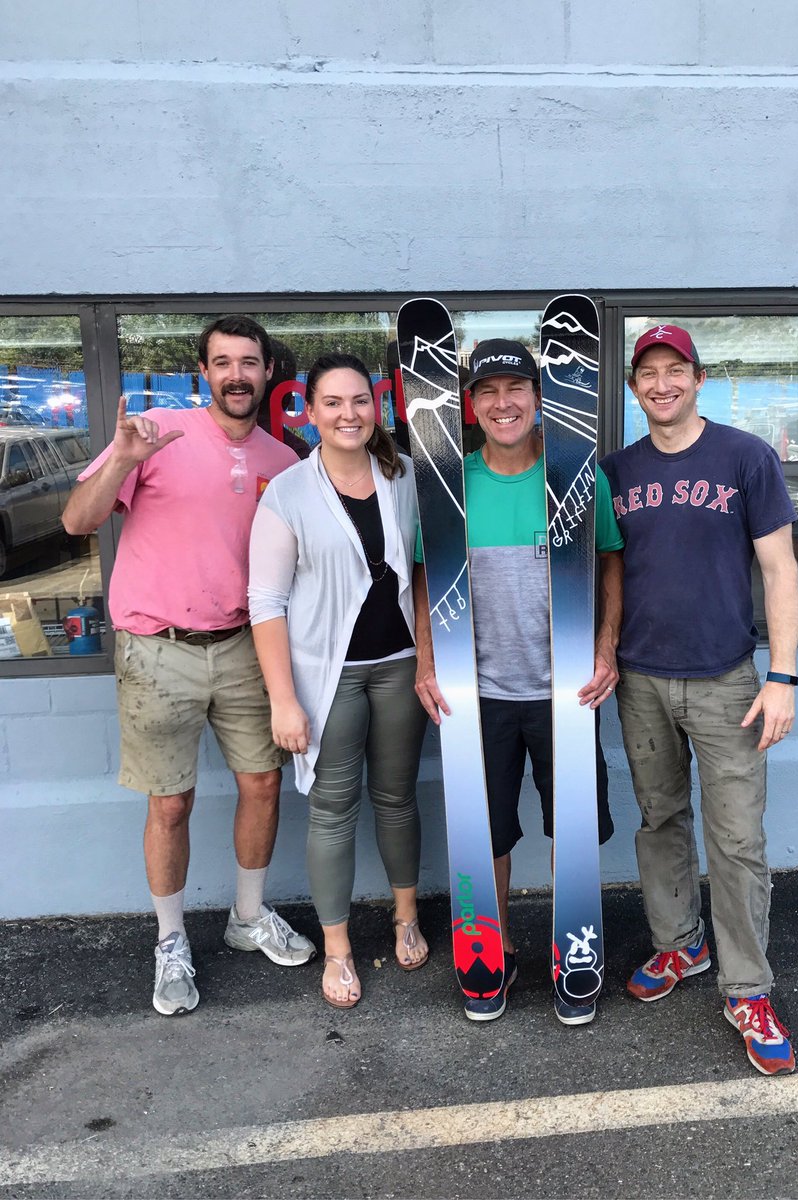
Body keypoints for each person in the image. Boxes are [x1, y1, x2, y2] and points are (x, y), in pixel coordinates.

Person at [62, 314, 316, 1017]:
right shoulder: (154, 436)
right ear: (203, 372)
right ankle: (171, 941)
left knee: (263, 786)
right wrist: (118, 458)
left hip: (244, 645)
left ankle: (246, 916)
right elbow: (78, 522)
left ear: (268, 373)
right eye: (222, 362)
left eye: (250, 362)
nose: (237, 374)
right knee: (169, 803)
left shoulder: (284, 462)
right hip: (158, 648)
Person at [600, 323, 798, 1075]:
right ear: (633, 387)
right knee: (660, 820)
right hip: (642, 678)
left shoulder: (745, 457)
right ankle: (677, 945)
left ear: (697, 378)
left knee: (738, 839)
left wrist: (781, 676)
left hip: (726, 683)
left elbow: (779, 570)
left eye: (673, 370)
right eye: (647, 373)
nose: (661, 384)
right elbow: (606, 575)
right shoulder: (616, 470)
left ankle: (747, 987)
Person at [414, 338, 625, 1027]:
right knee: (489, 836)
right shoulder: (451, 484)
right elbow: (427, 578)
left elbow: (611, 562)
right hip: (480, 695)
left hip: (565, 692)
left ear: (538, 397)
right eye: (486, 392)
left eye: (514, 389)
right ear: (471, 407)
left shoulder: (575, 477)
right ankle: (491, 953)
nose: (502, 403)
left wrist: (604, 649)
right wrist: (426, 662)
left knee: (572, 826)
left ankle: (575, 952)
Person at [248, 353, 427, 1010]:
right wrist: (283, 700)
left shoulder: (404, 475)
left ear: (376, 407)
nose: (348, 414)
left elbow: (427, 569)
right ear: (310, 410)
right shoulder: (288, 492)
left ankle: (405, 916)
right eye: (333, 402)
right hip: (328, 677)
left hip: (399, 666)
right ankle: (339, 949)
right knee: (331, 810)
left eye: (360, 401)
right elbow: (265, 601)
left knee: (398, 797)